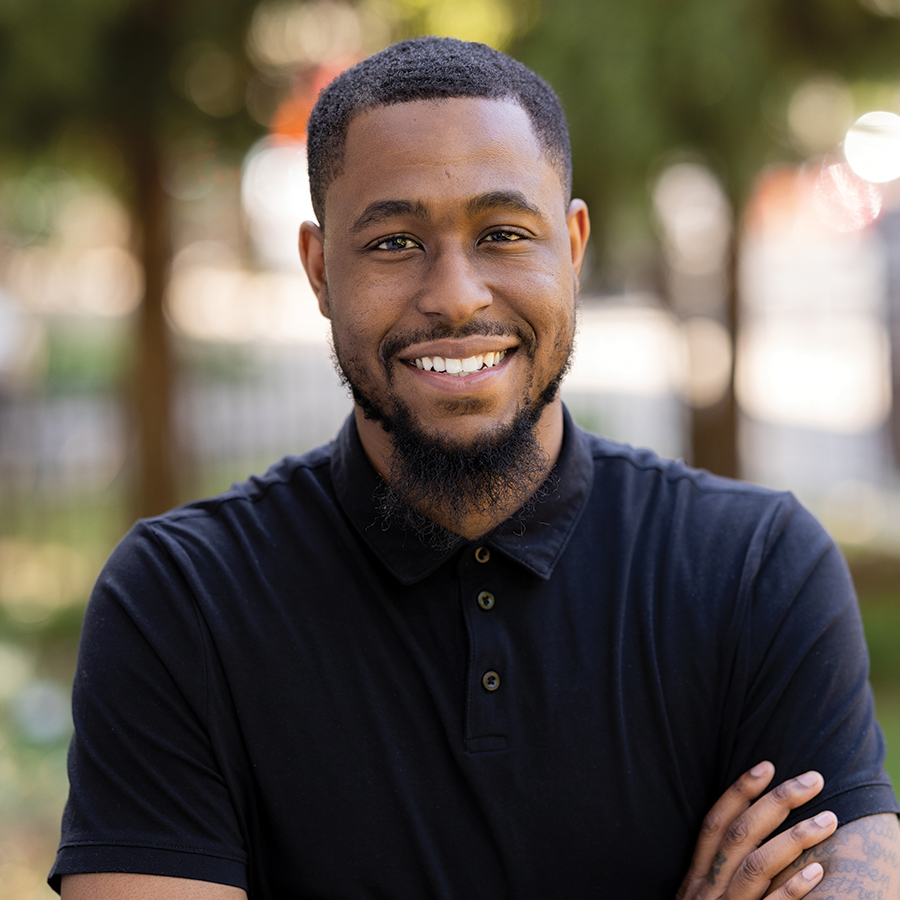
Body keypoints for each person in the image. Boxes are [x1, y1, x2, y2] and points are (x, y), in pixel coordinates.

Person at [51, 37, 899, 899]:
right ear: (318, 270)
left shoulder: (756, 569)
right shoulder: (180, 602)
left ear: (570, 246)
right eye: (392, 242)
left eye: (502, 233)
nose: (456, 294)